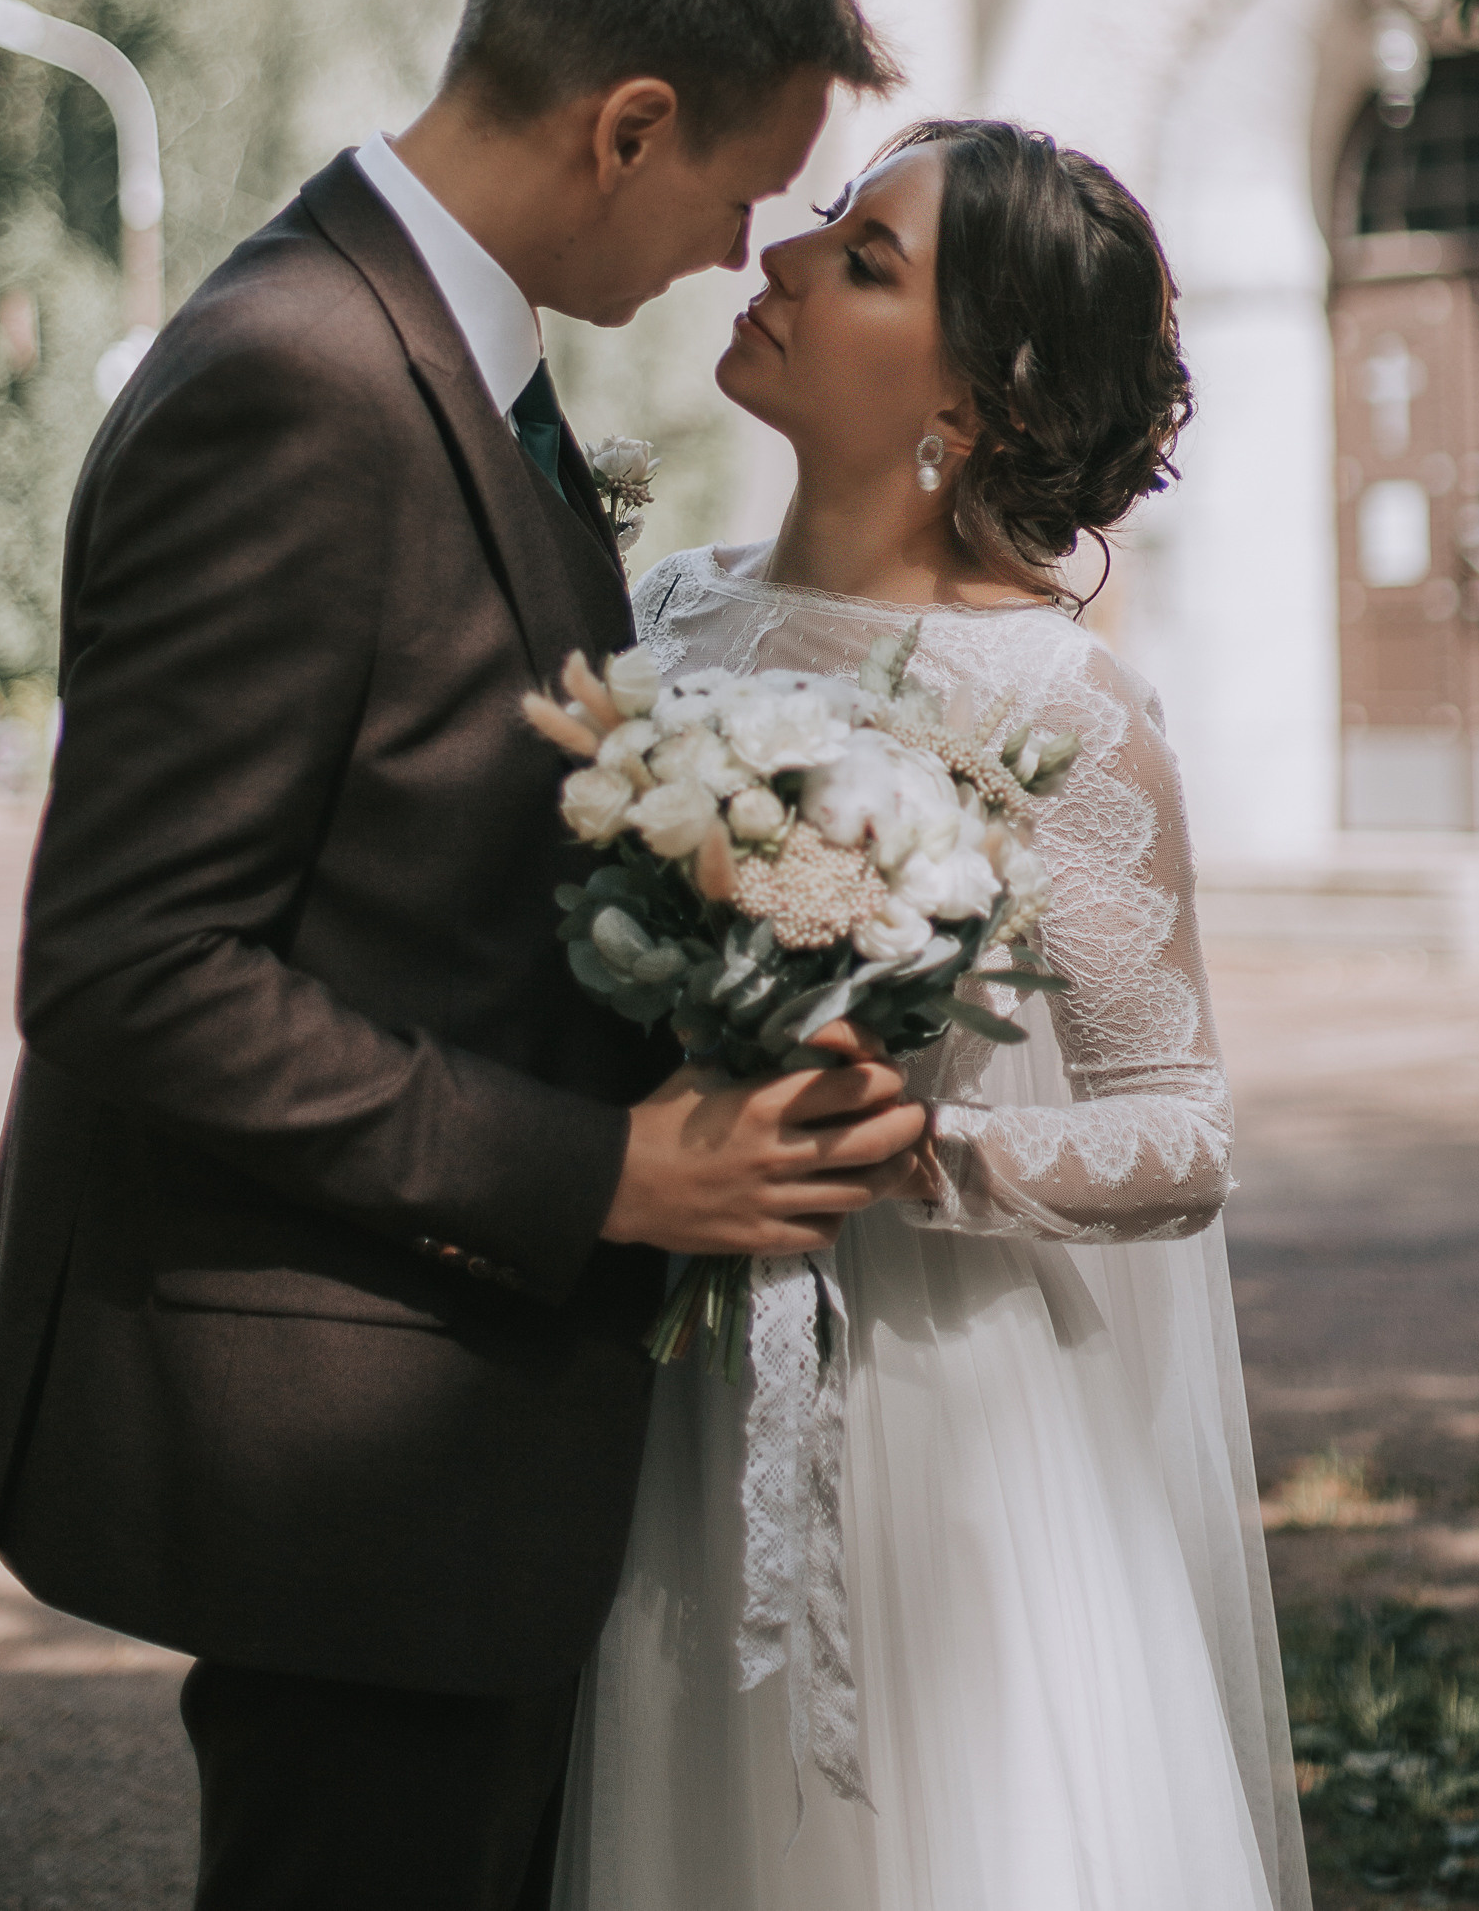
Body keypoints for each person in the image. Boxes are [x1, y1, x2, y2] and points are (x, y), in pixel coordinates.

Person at [0, 0, 930, 1911]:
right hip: (337, 1433)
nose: (743, 250)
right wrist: (605, 1175)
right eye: (740, 190)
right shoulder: (296, 383)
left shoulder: (454, 356)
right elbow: (132, 967)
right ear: (624, 123)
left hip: (449, 1431)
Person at [552, 120, 1313, 1911]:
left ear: (966, 407)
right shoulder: (662, 616)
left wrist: (919, 1146)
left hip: (933, 1424)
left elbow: (1182, 1128)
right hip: (654, 1369)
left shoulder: (1052, 696)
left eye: (864, 258)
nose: (784, 261)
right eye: (821, 224)